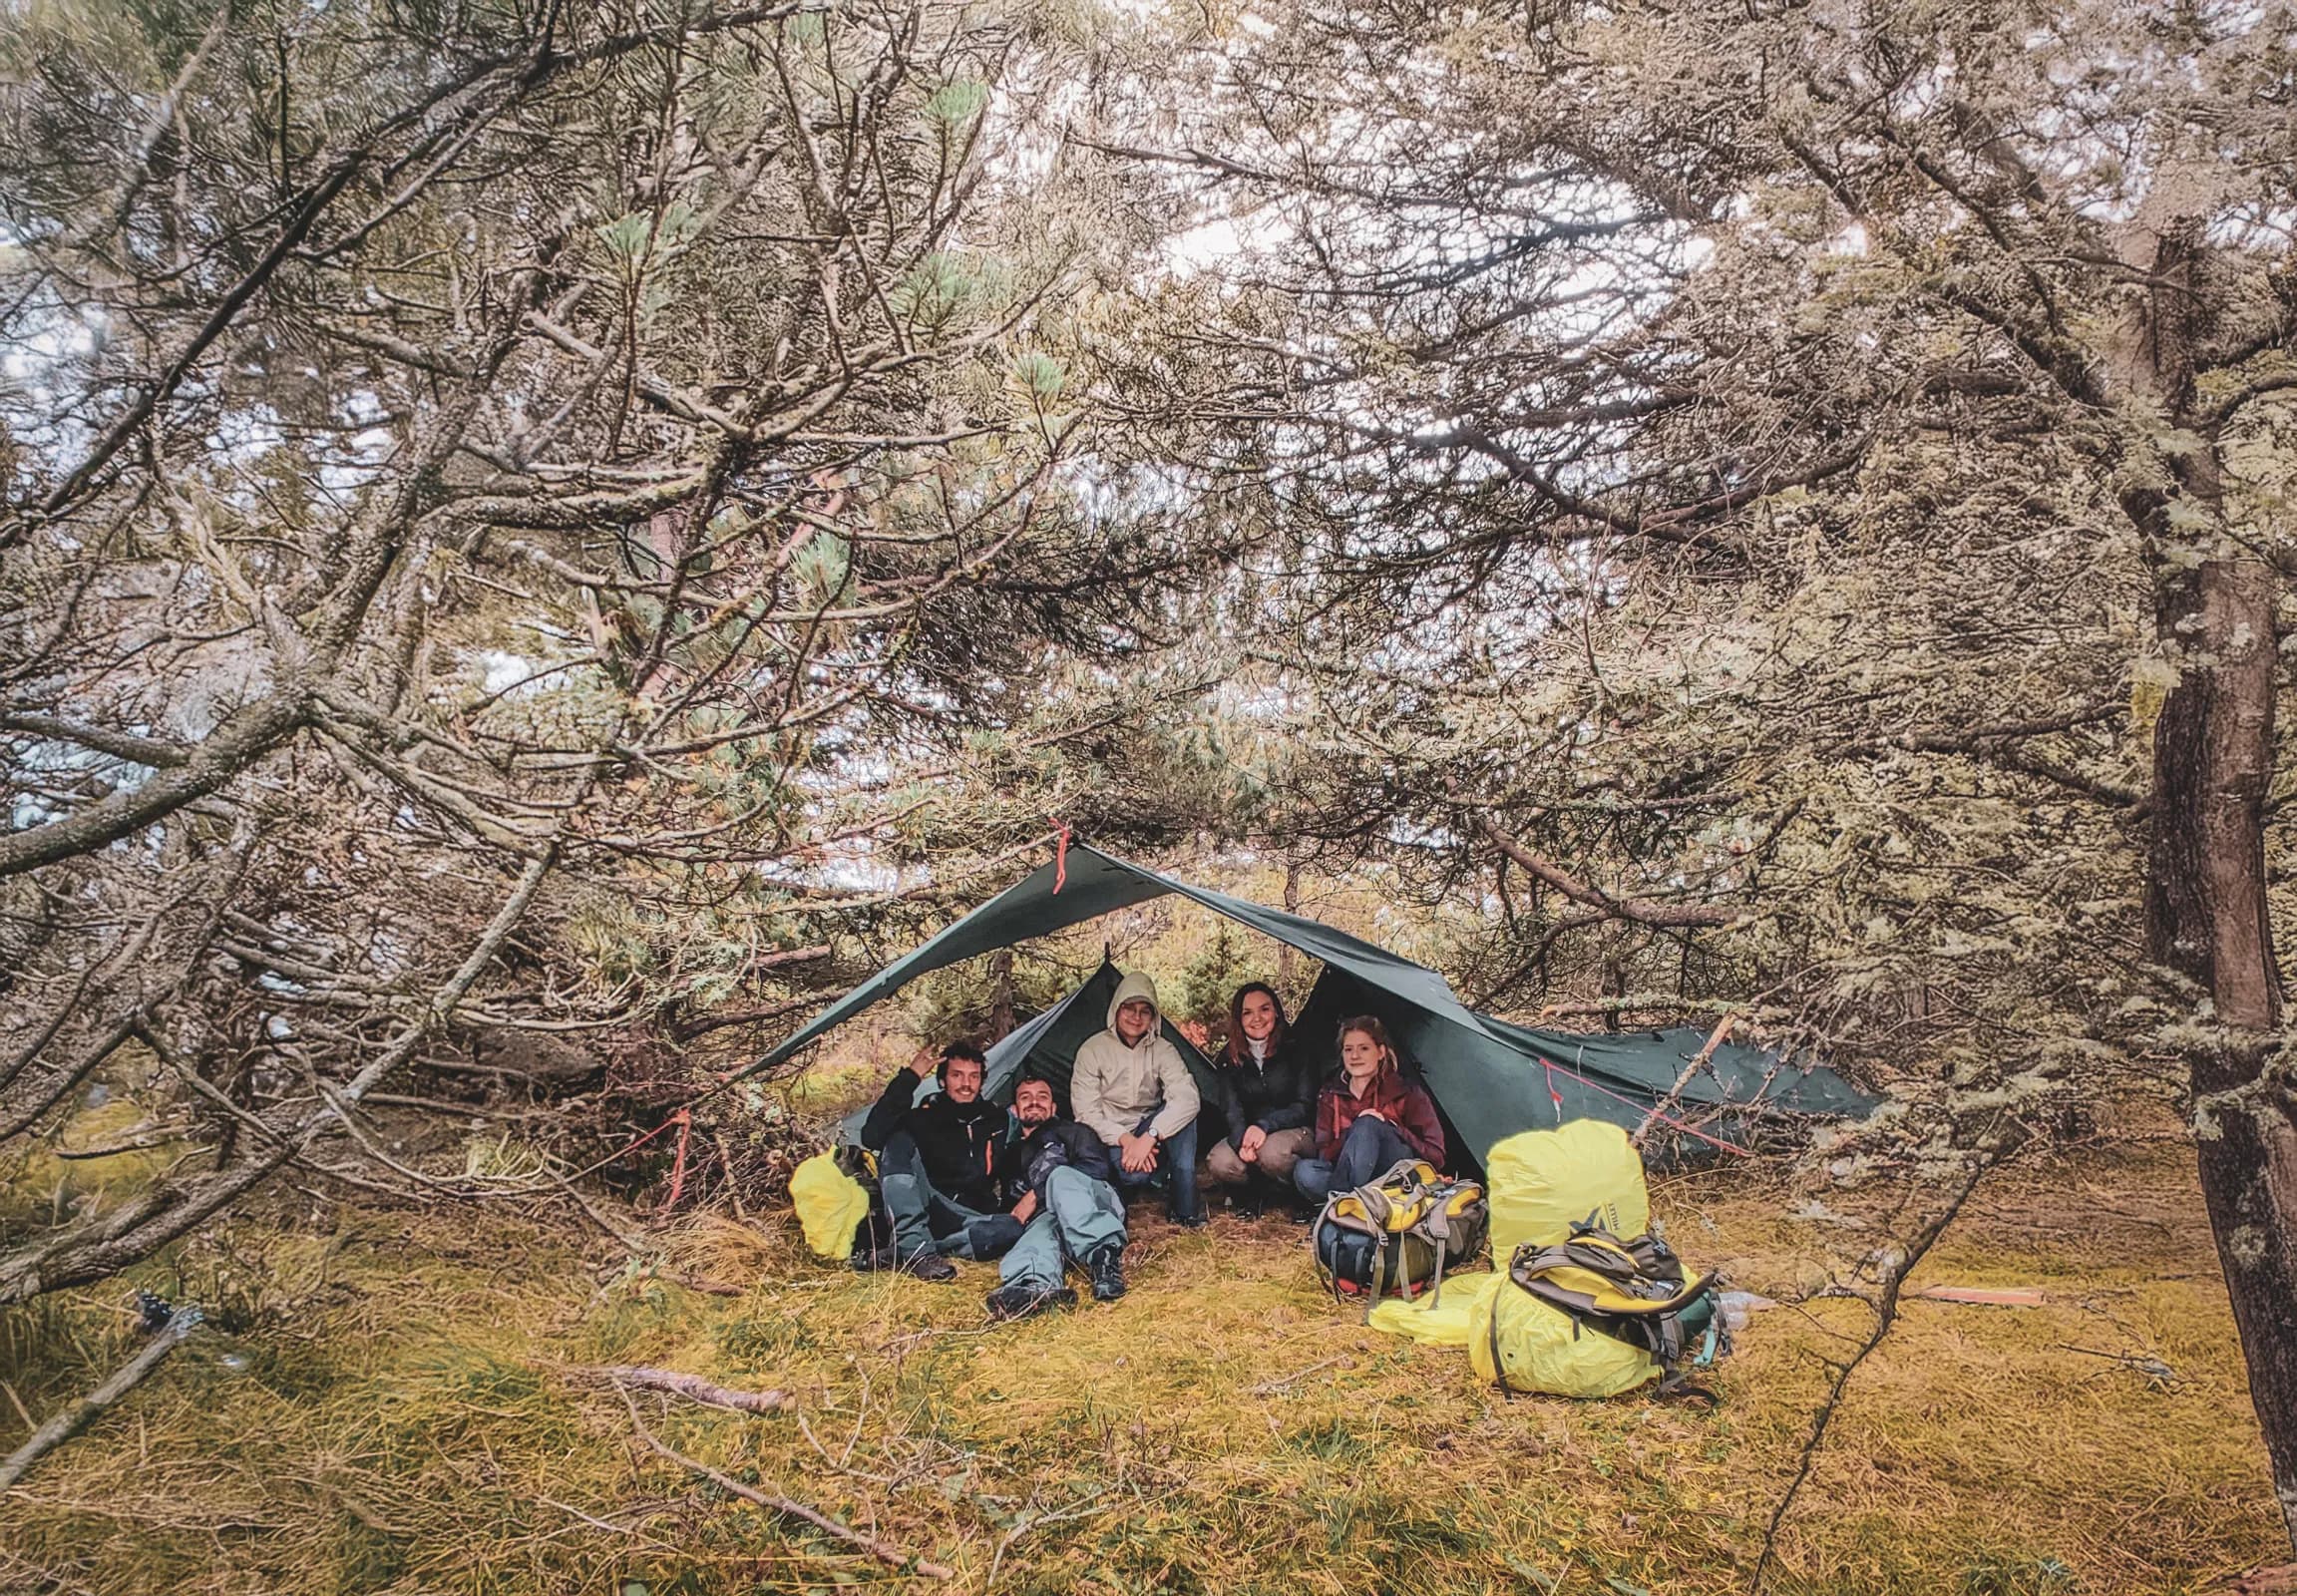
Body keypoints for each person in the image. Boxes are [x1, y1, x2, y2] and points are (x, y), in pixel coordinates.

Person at [856, 1040, 1019, 1280]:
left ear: (982, 1081)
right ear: (942, 1081)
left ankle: (907, 1251)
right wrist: (910, 1077)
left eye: (974, 1077)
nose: (966, 1084)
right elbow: (872, 1136)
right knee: (896, 1141)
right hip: (930, 1204)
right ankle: (918, 1251)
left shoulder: (998, 1119)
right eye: (957, 1076)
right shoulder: (922, 1117)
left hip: (969, 1217)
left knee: (1011, 1229)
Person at [983, 1072, 1130, 1320]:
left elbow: (1097, 1169)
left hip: (1094, 1203)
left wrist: (1036, 1194)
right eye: (1025, 1097)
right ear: (1015, 1110)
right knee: (1040, 1228)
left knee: (1061, 1176)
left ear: (1052, 1107)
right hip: (1052, 1221)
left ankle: (1103, 1261)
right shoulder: (1010, 1155)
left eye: (1042, 1097)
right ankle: (1035, 1288)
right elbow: (1012, 1207)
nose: (1034, 1102)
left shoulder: (1074, 1132)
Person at [1069, 971, 1206, 1227]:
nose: (1136, 1016)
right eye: (1129, 1008)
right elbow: (1086, 1112)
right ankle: (1129, 1186)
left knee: (1185, 1115)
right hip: (1109, 1136)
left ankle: (1185, 1209)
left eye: (1145, 1010)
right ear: (1116, 1010)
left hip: (1149, 1130)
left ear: (1153, 1017)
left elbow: (1187, 1097)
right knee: (1133, 1176)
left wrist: (1150, 1135)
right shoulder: (1092, 1049)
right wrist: (1126, 1139)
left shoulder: (1163, 1049)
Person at [1293, 1015, 1446, 1206]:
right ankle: (1359, 1202)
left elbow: (1436, 1156)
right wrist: (1353, 1133)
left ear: (1381, 1052)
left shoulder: (1407, 1092)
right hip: (1345, 1172)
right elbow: (1325, 1154)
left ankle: (1348, 1205)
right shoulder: (1330, 1093)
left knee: (1368, 1126)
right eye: (1348, 1050)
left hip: (1392, 1175)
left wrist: (1389, 1125)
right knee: (1305, 1171)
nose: (1355, 1056)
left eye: (1364, 1048)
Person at [1200, 982, 1317, 1216]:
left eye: (1264, 1009)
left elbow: (1305, 1105)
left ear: (1276, 1012)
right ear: (1238, 1019)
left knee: (1272, 1153)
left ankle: (1302, 1197)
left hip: (1296, 1130)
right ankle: (1256, 1197)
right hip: (1251, 1134)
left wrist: (1265, 1126)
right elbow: (1231, 1109)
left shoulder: (1297, 1047)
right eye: (1247, 1012)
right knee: (1219, 1160)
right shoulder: (1228, 1057)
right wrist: (1241, 1142)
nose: (1257, 1018)